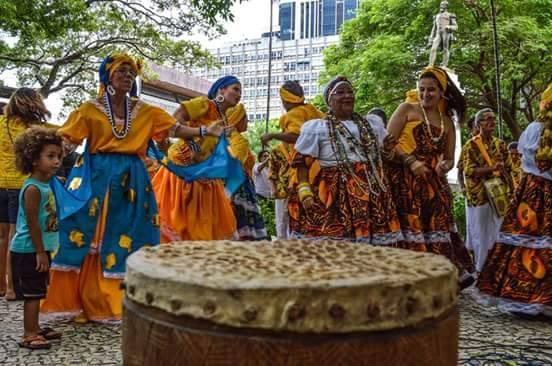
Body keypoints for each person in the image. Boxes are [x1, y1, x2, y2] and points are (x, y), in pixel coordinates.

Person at [41, 53, 222, 323]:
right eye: (121, 71)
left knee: (126, 233)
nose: (127, 76)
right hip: (97, 177)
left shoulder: (145, 111)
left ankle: (117, 300)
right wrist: (46, 160)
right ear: (108, 77)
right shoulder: (89, 109)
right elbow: (67, 139)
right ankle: (87, 300)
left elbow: (174, 129)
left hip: (132, 181)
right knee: (90, 234)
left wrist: (205, 132)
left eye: (130, 72)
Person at [387, 66, 474, 287]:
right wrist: (411, 161)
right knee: (409, 225)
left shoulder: (447, 122)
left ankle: (438, 276)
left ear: (441, 92)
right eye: (422, 89)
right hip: (403, 179)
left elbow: (449, 158)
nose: (425, 94)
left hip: (432, 184)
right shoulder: (407, 109)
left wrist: (444, 166)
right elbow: (387, 142)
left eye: (431, 90)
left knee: (435, 226)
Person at [288, 76, 402, 244]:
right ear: (329, 100)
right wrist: (304, 191)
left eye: (350, 92)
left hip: (372, 191)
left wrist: (386, 149)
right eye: (340, 92)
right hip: (335, 194)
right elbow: (302, 164)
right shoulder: (318, 128)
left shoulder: (371, 125)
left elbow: (385, 156)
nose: (347, 96)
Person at [475, 83, 552, 318]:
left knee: (527, 243)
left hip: (529, 195)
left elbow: (526, 163)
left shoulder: (531, 129)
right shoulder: (536, 130)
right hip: (540, 195)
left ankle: (525, 299)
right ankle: (537, 300)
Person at [152, 76, 240, 242]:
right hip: (183, 168)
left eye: (240, 91)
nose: (239, 94)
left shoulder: (223, 118)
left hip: (205, 175)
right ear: (221, 90)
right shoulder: (205, 104)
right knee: (180, 224)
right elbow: (175, 119)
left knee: (204, 229)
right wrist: (193, 144)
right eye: (235, 89)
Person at [11, 127, 63, 349]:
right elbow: (32, 223)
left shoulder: (44, 184)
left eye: (59, 156)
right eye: (50, 156)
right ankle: (29, 333)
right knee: (32, 294)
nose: (57, 161)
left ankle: (36, 327)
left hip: (39, 249)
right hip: (29, 249)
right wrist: (40, 252)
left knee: (38, 290)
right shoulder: (33, 189)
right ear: (33, 159)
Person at [1, 88, 51, 301]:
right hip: (20, 187)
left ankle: (1, 286)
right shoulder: (34, 130)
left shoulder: (1, 124)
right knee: (16, 236)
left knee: (1, 237)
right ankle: (13, 288)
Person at [261, 81, 324, 239]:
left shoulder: (293, 114)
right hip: (323, 169)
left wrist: (272, 135)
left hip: (305, 172)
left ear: (286, 100)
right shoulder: (312, 110)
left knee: (301, 216)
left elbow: (297, 136)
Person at [462, 108, 513, 272]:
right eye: (486, 119)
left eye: (493, 119)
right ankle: (481, 269)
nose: (491, 122)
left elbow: (510, 169)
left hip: (499, 194)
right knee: (481, 234)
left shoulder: (501, 144)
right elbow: (469, 171)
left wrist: (513, 191)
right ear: (478, 124)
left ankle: (498, 268)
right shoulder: (471, 145)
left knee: (500, 231)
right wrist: (491, 168)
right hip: (479, 195)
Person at [226, 104, 269, 240]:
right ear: (238, 119)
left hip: (226, 187)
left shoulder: (223, 137)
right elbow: (235, 164)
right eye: (245, 118)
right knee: (245, 225)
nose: (247, 122)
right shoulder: (239, 140)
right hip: (240, 188)